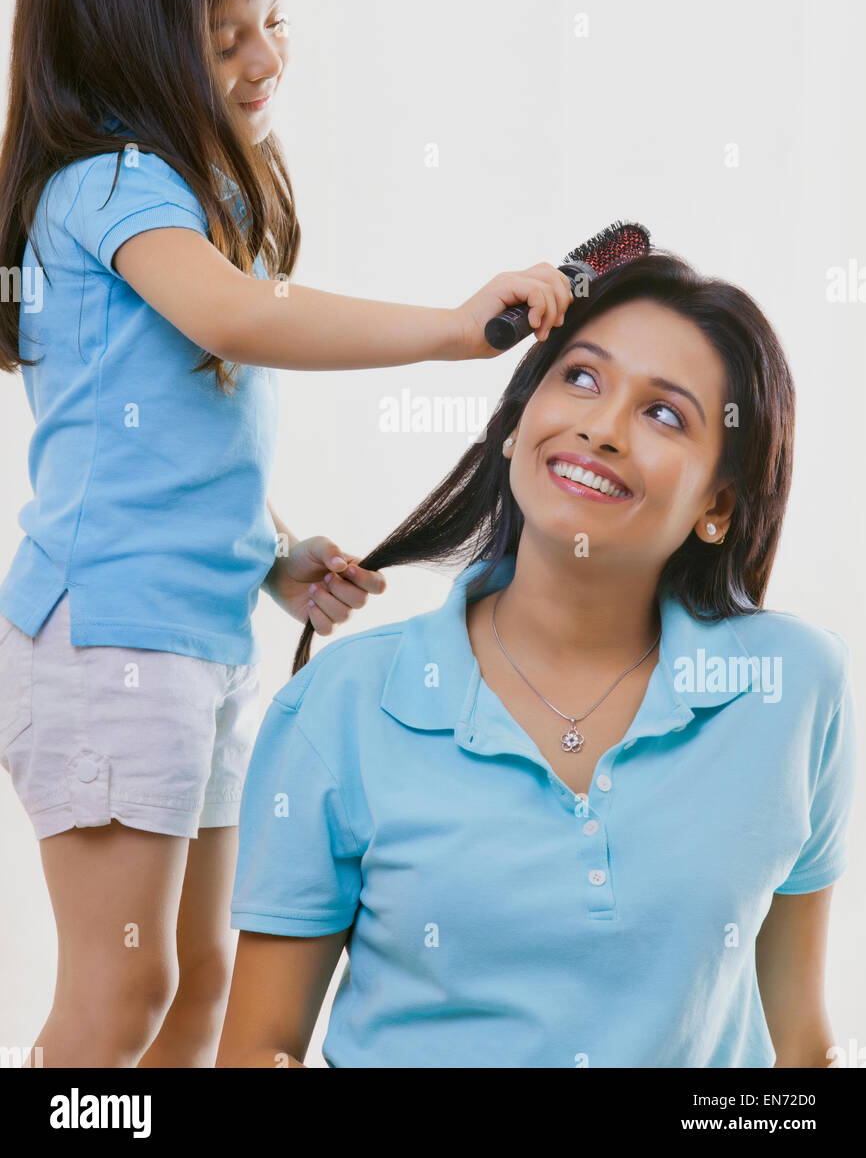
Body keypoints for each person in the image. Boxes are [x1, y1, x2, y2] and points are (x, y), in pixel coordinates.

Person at [0, 0, 572, 1068]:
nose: (265, 60)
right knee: (120, 1000)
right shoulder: (107, 188)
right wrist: (447, 330)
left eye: (273, 21)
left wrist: (273, 554)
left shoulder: (180, 190)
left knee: (202, 981)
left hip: (186, 635)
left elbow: (153, 449)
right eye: (224, 39)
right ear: (127, 53)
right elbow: (240, 320)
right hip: (110, 643)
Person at [219, 249, 857, 1068]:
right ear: (519, 420)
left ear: (718, 507)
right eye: (582, 379)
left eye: (666, 415)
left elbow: (800, 1046)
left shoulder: (794, 689)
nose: (601, 426)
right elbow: (259, 1051)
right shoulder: (341, 705)